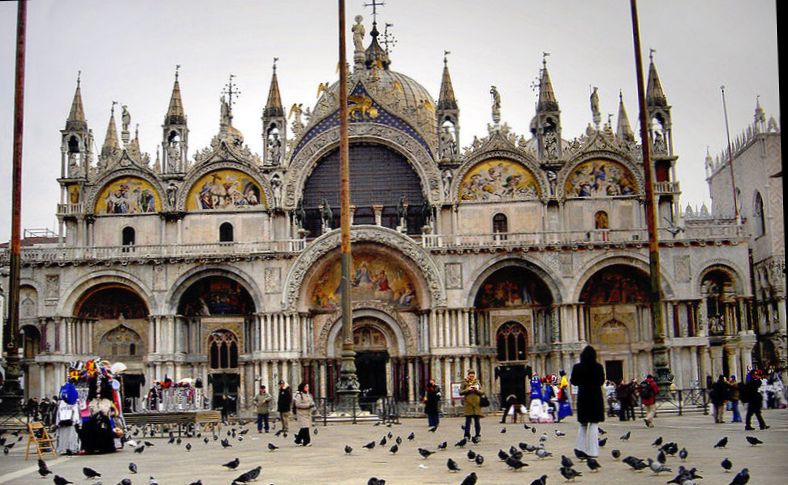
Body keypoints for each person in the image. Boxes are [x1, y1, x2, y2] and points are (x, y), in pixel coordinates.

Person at [570, 345, 605, 458]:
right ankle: (593, 451)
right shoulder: (598, 367)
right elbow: (601, 381)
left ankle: (580, 450)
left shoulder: (577, 367)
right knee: (594, 425)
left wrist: (582, 382)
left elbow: (573, 381)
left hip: (583, 397)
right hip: (595, 397)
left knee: (583, 425)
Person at [56, 381, 80, 455]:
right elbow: (76, 412)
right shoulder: (73, 402)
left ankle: (63, 449)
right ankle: (72, 448)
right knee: (71, 436)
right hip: (71, 422)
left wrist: (57, 422)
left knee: (63, 436)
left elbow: (58, 414)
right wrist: (77, 421)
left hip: (62, 422)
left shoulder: (61, 403)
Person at [460, 369, 483, 443]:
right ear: (468, 376)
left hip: (476, 405)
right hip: (468, 405)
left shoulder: (477, 382)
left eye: (473, 376)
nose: (472, 377)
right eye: (470, 376)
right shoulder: (464, 382)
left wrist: (476, 390)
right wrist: (467, 389)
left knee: (477, 422)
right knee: (468, 422)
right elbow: (460, 392)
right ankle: (467, 436)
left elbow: (482, 392)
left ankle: (477, 435)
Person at [293, 382, 315, 446]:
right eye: (306, 387)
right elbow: (298, 404)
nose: (307, 388)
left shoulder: (308, 395)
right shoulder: (299, 395)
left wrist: (312, 406)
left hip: (308, 413)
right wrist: (308, 405)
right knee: (305, 427)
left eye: (308, 387)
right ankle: (307, 441)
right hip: (301, 414)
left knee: (304, 427)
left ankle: (298, 440)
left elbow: (311, 401)